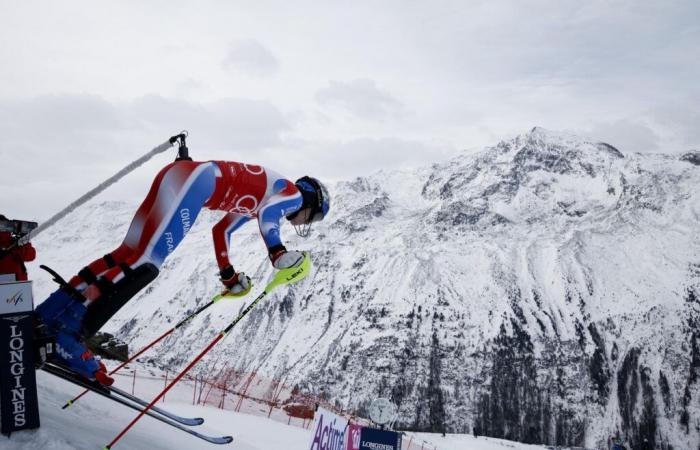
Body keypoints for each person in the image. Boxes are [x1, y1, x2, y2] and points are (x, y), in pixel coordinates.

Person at [36, 160, 330, 384]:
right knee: (146, 264)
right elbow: (269, 216)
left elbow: (221, 231)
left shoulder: (266, 195)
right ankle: (67, 335)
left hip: (183, 176)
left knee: (127, 254)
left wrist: (228, 274)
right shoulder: (293, 195)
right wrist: (278, 252)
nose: (305, 220)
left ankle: (53, 312)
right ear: (311, 201)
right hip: (197, 185)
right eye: (313, 217)